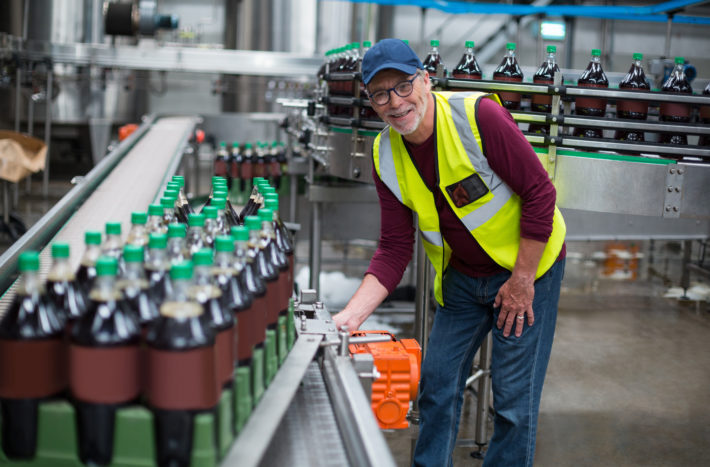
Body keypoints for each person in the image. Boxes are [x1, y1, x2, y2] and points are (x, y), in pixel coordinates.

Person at [332, 39, 566, 467]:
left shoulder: (478, 117)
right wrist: (350, 317)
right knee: (437, 386)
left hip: (526, 270)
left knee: (513, 402)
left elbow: (539, 194)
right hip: (461, 278)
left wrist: (521, 281)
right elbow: (393, 247)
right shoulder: (385, 154)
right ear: (371, 101)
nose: (395, 103)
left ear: (425, 79)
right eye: (380, 94)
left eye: (403, 86)